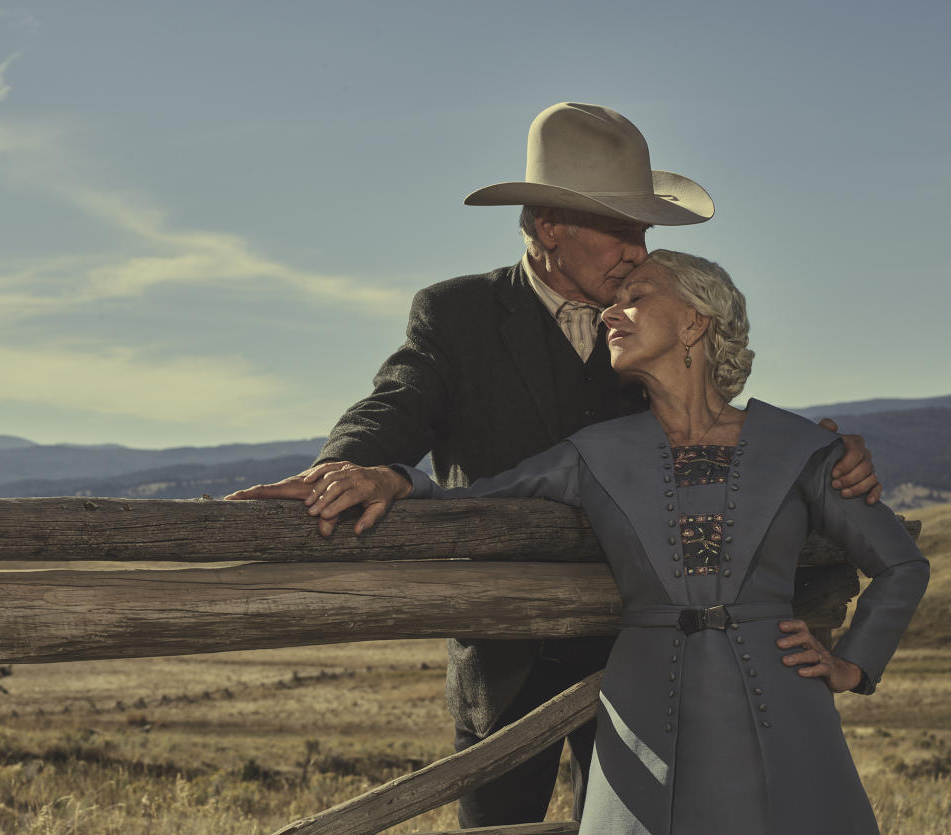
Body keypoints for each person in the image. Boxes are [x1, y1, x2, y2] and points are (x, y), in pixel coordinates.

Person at [226, 102, 880, 827]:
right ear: (549, 228)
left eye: (644, 230)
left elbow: (715, 422)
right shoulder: (459, 314)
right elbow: (399, 400)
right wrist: (350, 464)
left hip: (648, 659)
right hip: (506, 657)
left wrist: (825, 447)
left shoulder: (648, 318)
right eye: (621, 228)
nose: (639, 249)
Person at [284, 250, 928, 834]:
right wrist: (392, 476)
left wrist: (853, 664)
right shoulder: (592, 454)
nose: (611, 314)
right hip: (644, 704)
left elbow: (900, 564)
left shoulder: (803, 447)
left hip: (784, 700)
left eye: (637, 296)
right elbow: (470, 501)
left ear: (695, 323)